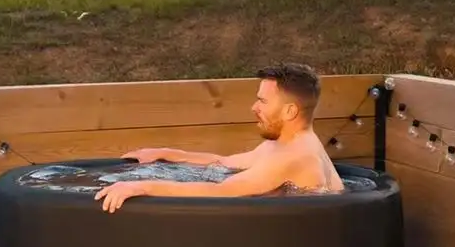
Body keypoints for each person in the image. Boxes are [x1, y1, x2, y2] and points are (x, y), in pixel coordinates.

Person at [95, 62, 344, 212]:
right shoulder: (285, 144)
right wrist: (166, 154)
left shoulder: (295, 156)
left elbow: (221, 192)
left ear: (290, 111)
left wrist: (141, 186)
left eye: (262, 101)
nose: (254, 107)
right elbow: (224, 163)